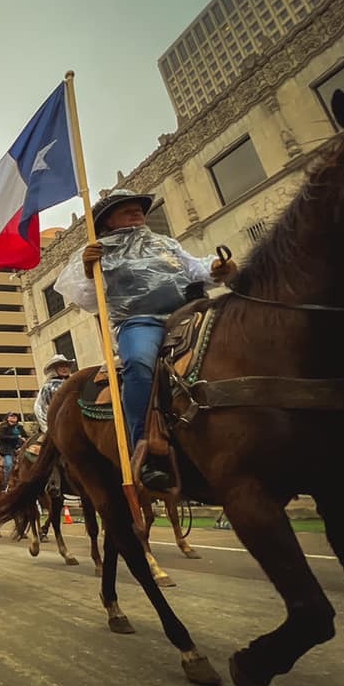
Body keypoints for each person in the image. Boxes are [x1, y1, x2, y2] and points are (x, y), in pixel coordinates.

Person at [54, 189, 236, 491]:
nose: (137, 211)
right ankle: (145, 446)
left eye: (138, 207)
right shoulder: (100, 250)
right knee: (138, 363)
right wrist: (89, 271)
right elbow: (88, 299)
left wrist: (216, 268)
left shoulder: (164, 243)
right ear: (108, 221)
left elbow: (195, 268)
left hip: (190, 311)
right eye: (126, 209)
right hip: (141, 321)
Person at [34, 354, 76, 433]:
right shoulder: (48, 386)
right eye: (61, 366)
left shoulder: (75, 383)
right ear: (54, 369)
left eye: (66, 366)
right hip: (57, 423)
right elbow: (40, 407)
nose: (64, 368)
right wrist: (47, 428)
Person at [0, 412, 26, 489]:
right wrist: (16, 437)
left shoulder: (20, 427)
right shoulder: (3, 427)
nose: (13, 418)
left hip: (20, 449)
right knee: (9, 465)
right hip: (7, 450)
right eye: (11, 416)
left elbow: (25, 436)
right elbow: (2, 437)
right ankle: (6, 485)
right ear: (7, 418)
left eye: (15, 417)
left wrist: (24, 440)